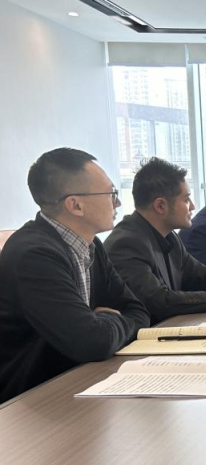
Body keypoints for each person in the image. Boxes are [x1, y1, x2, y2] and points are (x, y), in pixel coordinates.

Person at [0, 148, 149, 402]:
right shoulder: (34, 255)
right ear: (75, 205)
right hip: (31, 398)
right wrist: (109, 319)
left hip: (80, 379)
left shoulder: (91, 245)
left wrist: (102, 322)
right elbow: (91, 342)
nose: (118, 203)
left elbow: (138, 312)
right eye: (111, 194)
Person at [107, 157, 206, 324]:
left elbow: (203, 275)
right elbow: (159, 301)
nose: (192, 206)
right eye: (186, 199)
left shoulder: (170, 237)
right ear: (160, 206)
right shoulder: (126, 243)